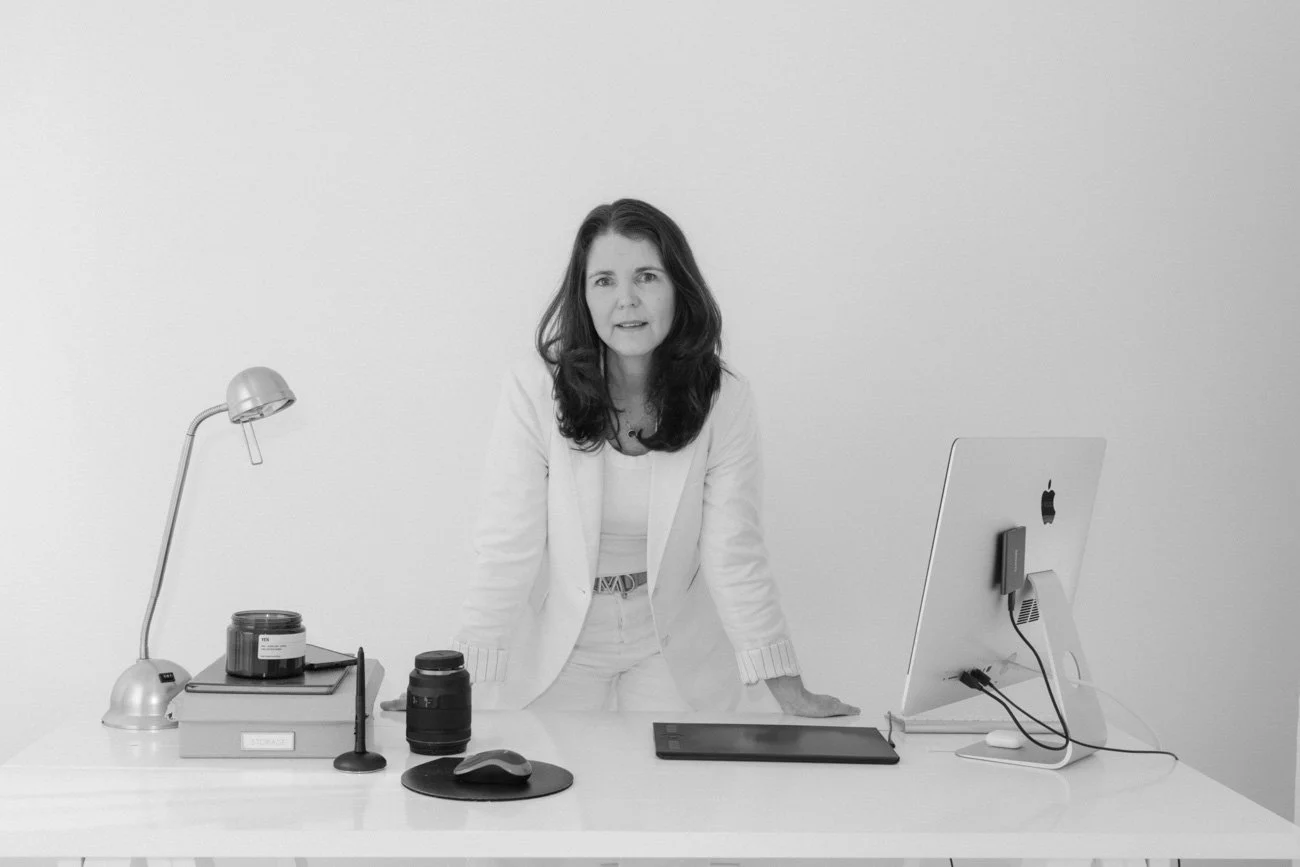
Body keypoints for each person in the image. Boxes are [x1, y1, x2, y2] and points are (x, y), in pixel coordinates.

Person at [388, 198, 857, 717]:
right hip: (561, 642)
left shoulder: (724, 397)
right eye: (604, 281)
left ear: (680, 287)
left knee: (671, 792)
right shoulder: (534, 387)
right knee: (545, 786)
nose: (626, 300)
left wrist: (788, 687)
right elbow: (506, 548)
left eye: (647, 277)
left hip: (670, 641)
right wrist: (448, 684)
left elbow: (734, 552)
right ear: (583, 296)